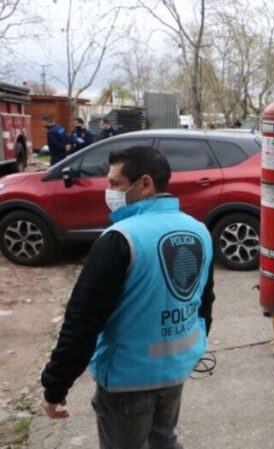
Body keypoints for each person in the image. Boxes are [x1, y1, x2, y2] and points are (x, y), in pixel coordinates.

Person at [40, 146, 215, 449]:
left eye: (114, 184)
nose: (108, 192)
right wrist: (191, 350)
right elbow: (205, 303)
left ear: (145, 184)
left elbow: (82, 320)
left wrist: (55, 386)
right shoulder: (198, 229)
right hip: (176, 369)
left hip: (127, 380)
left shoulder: (120, 238)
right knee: (164, 439)